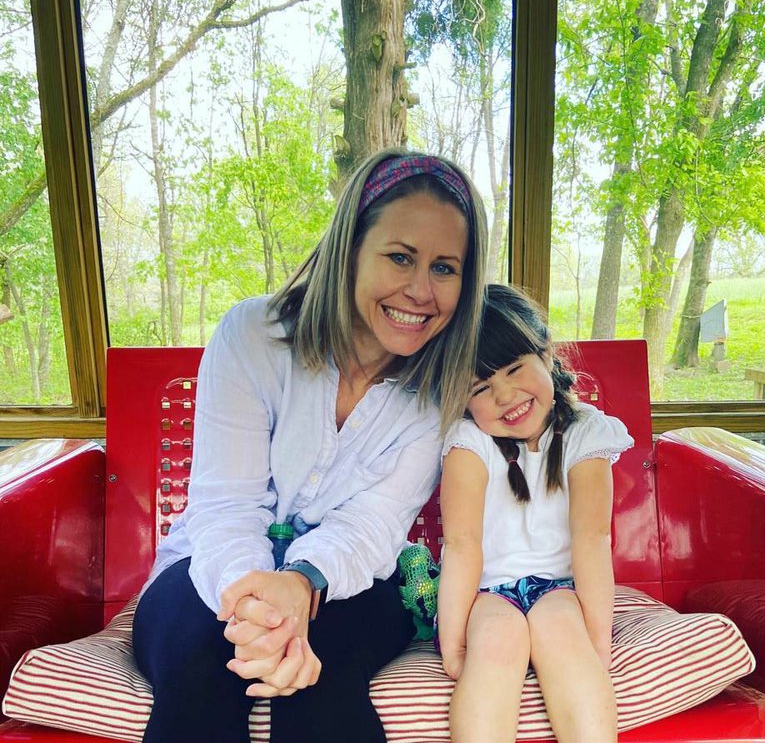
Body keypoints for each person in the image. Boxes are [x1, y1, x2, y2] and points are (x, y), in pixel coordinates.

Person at [131, 148, 488, 743]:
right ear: (349, 249)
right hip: (212, 563)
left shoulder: (440, 388)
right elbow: (226, 504)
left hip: (355, 577)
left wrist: (300, 582)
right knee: (203, 665)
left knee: (320, 678)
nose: (421, 291)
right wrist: (257, 607)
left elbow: (374, 523)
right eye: (400, 257)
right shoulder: (253, 337)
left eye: (445, 268)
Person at [437, 284, 633, 743]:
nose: (504, 395)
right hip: (489, 593)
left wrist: (597, 642)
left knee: (562, 633)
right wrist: (451, 640)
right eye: (482, 387)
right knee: (495, 643)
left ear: (547, 354)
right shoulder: (470, 442)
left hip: (559, 589)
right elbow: (461, 545)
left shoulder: (587, 433)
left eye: (513, 369)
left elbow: (591, 539)